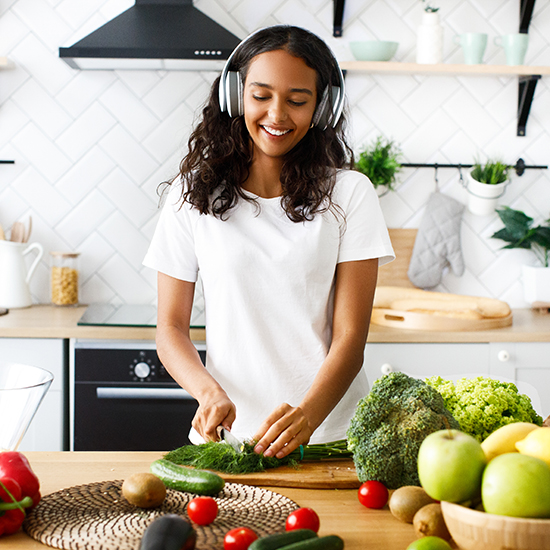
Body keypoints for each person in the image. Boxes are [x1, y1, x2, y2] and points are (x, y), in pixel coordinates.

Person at [143, 25, 394, 460]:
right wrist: (207, 393)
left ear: (321, 108)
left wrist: (308, 415)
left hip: (328, 436)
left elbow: (351, 336)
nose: (277, 115)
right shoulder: (192, 195)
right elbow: (170, 329)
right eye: (261, 96)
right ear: (234, 95)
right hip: (231, 439)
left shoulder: (351, 193)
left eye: (297, 101)